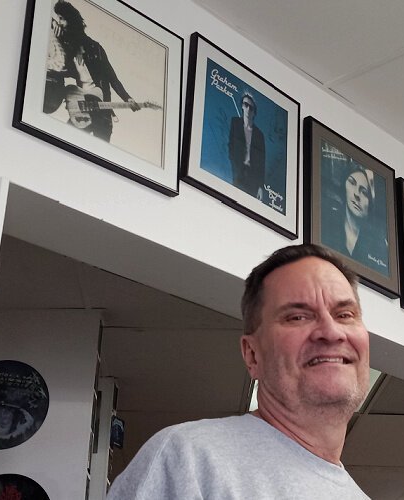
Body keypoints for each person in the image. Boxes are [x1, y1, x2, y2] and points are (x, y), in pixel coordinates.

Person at [107, 244, 370, 499]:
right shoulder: (187, 460)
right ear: (252, 355)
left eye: (345, 314)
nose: (331, 332)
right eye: (297, 317)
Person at [44, 0, 140, 141]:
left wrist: (127, 98)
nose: (60, 23)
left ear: (72, 21)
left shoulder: (95, 48)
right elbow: (55, 66)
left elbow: (112, 78)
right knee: (65, 142)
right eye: (58, 19)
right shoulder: (66, 49)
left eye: (62, 19)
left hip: (101, 111)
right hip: (81, 107)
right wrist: (50, 26)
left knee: (101, 152)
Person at [321, 162, 388, 275]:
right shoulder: (326, 221)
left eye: (364, 192)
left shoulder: (379, 246)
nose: (357, 194)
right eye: (352, 183)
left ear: (371, 204)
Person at [228, 91, 266, 200]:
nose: (248, 109)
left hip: (253, 175)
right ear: (242, 106)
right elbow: (231, 145)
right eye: (245, 105)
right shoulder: (235, 123)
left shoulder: (259, 135)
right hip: (239, 170)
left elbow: (262, 162)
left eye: (251, 107)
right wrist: (235, 165)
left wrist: (260, 187)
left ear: (254, 112)